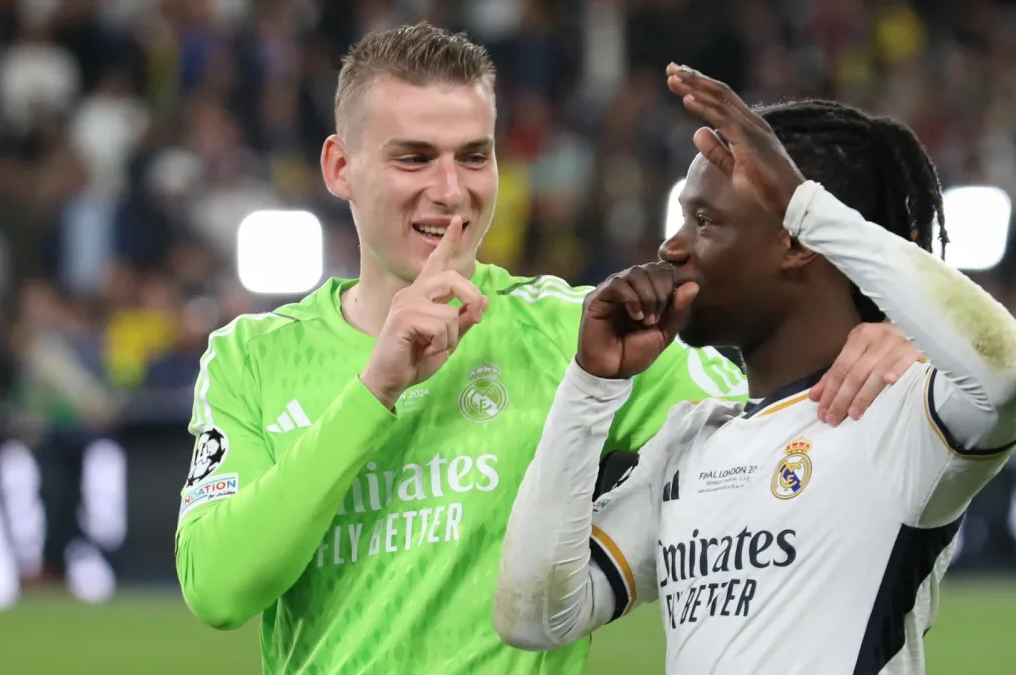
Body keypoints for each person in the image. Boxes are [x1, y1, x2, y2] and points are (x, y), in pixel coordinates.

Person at [174, 24, 923, 675]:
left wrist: (891, 340)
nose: (451, 190)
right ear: (340, 167)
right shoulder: (252, 356)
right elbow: (221, 587)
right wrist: (375, 388)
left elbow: (785, 407)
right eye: (414, 158)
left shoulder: (576, 333)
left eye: (474, 156)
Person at [493, 64, 1016, 675]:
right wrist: (591, 386)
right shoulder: (688, 442)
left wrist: (804, 204)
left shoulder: (900, 413)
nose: (671, 248)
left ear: (796, 240)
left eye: (704, 222)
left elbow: (1015, 371)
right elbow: (534, 617)